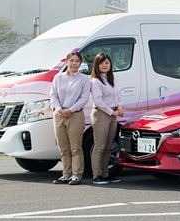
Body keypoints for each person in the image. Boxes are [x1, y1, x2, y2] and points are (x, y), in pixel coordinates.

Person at [49, 51, 91, 185]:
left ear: (80, 63)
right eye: (71, 60)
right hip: (59, 114)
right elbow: (53, 95)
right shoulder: (58, 77)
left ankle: (76, 174)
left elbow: (84, 98)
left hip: (75, 115)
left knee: (75, 147)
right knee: (63, 147)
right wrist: (59, 109)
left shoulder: (84, 79)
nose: (74, 63)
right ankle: (66, 174)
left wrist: (70, 110)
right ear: (67, 62)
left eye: (77, 61)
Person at [90, 52, 124, 185]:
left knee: (109, 146)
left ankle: (105, 174)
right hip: (101, 114)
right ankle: (96, 175)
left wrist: (120, 107)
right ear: (97, 65)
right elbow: (98, 101)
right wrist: (112, 112)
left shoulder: (111, 79)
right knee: (100, 146)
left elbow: (118, 96)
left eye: (107, 62)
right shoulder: (95, 81)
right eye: (102, 62)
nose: (105, 65)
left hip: (113, 114)